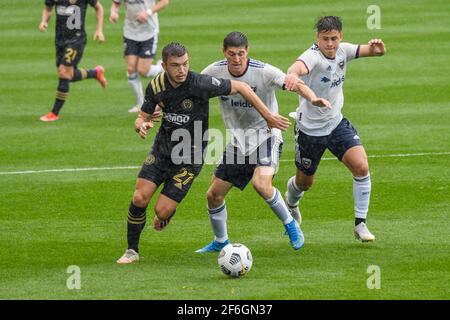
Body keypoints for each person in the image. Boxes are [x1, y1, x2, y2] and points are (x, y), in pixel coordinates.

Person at [117, 42, 291, 264]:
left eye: (185, 64)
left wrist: (268, 116)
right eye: (175, 66)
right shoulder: (157, 85)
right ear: (164, 66)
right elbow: (142, 116)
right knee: (139, 197)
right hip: (161, 151)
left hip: (190, 157)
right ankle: (132, 250)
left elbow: (242, 87)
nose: (181, 70)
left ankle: (165, 215)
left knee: (162, 211)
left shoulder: (200, 83)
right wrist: (141, 124)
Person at [195, 31, 331, 253]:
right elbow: (192, 88)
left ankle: (291, 225)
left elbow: (294, 83)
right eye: (232, 54)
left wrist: (312, 97)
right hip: (238, 142)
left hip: (267, 136)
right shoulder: (214, 71)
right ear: (224, 52)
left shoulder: (264, 71)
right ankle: (221, 240)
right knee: (213, 195)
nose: (237, 59)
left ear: (247, 51)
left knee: (261, 184)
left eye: (241, 53)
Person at [284, 16, 386, 242]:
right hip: (310, 130)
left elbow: (370, 50)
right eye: (325, 39)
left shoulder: (343, 51)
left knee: (361, 166)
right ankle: (291, 202)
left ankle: (360, 224)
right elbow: (296, 68)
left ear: (340, 36)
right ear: (317, 38)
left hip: (336, 123)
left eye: (334, 38)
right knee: (304, 183)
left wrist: (378, 49)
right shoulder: (312, 56)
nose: (330, 44)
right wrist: (292, 76)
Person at [39, 0, 107, 122]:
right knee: (68, 75)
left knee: (63, 72)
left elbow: (99, 7)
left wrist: (99, 30)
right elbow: (47, 8)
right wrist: (44, 21)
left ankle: (54, 113)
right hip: (60, 40)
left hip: (77, 40)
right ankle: (95, 73)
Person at [109, 0, 169, 113]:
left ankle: (161, 69)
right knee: (131, 69)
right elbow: (116, 3)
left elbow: (165, 2)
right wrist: (114, 12)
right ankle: (140, 104)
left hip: (149, 32)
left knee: (143, 70)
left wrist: (148, 12)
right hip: (130, 32)